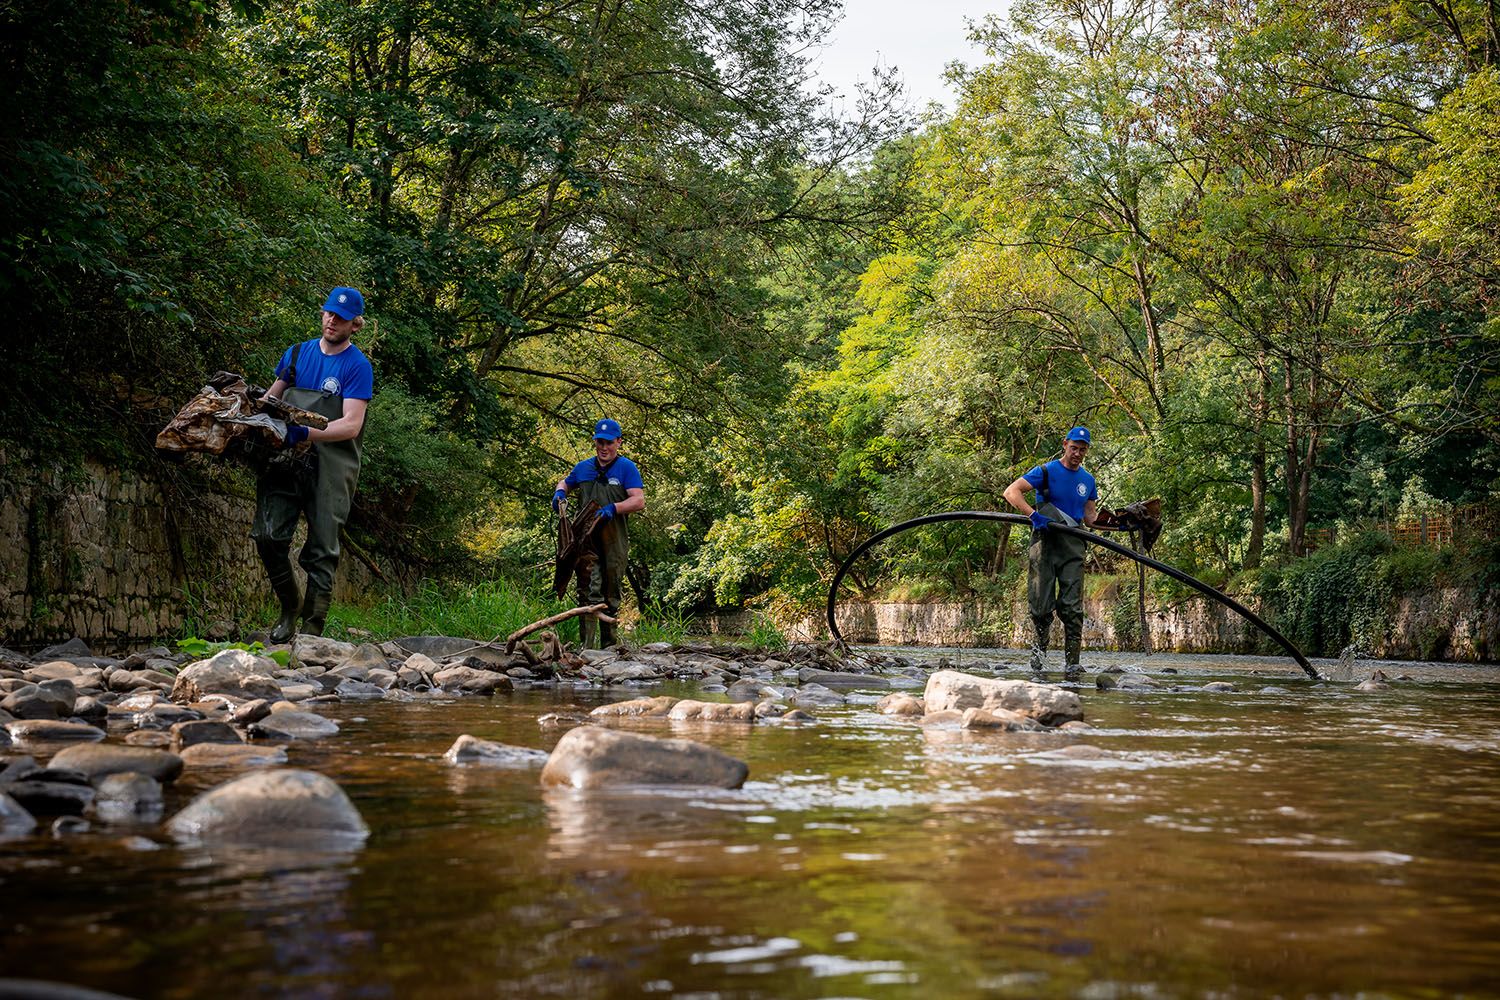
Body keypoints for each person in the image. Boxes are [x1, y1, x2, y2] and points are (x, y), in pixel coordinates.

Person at [251, 286, 374, 641]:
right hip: (285, 461)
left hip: (332, 467)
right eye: (328, 313)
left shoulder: (357, 367)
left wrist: (304, 433)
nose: (332, 320)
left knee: (321, 550)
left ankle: (312, 635)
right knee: (267, 535)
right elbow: (268, 402)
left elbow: (351, 425)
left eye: (342, 318)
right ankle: (290, 607)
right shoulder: (296, 354)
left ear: (355, 325)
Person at [1002, 426, 1098, 681]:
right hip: (1044, 544)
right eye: (1074, 447)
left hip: (1074, 547)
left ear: (1087, 451)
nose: (1077, 453)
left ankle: (1072, 665)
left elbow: (1091, 519)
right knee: (1041, 606)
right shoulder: (1045, 471)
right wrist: (1033, 515)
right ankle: (1038, 662)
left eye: (1083, 449)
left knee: (1072, 608)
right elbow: (1011, 492)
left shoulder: (1088, 481)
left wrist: (1123, 522)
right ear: (1065, 444)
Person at [553, 418, 646, 648]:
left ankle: (609, 647)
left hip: (615, 540)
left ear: (618, 442)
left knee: (611, 592)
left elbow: (639, 500)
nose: (604, 448)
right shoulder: (583, 467)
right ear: (595, 442)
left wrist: (614, 508)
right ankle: (587, 648)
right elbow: (564, 482)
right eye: (600, 442)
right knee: (588, 590)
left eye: (609, 443)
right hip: (586, 540)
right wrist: (559, 495)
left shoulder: (627, 468)